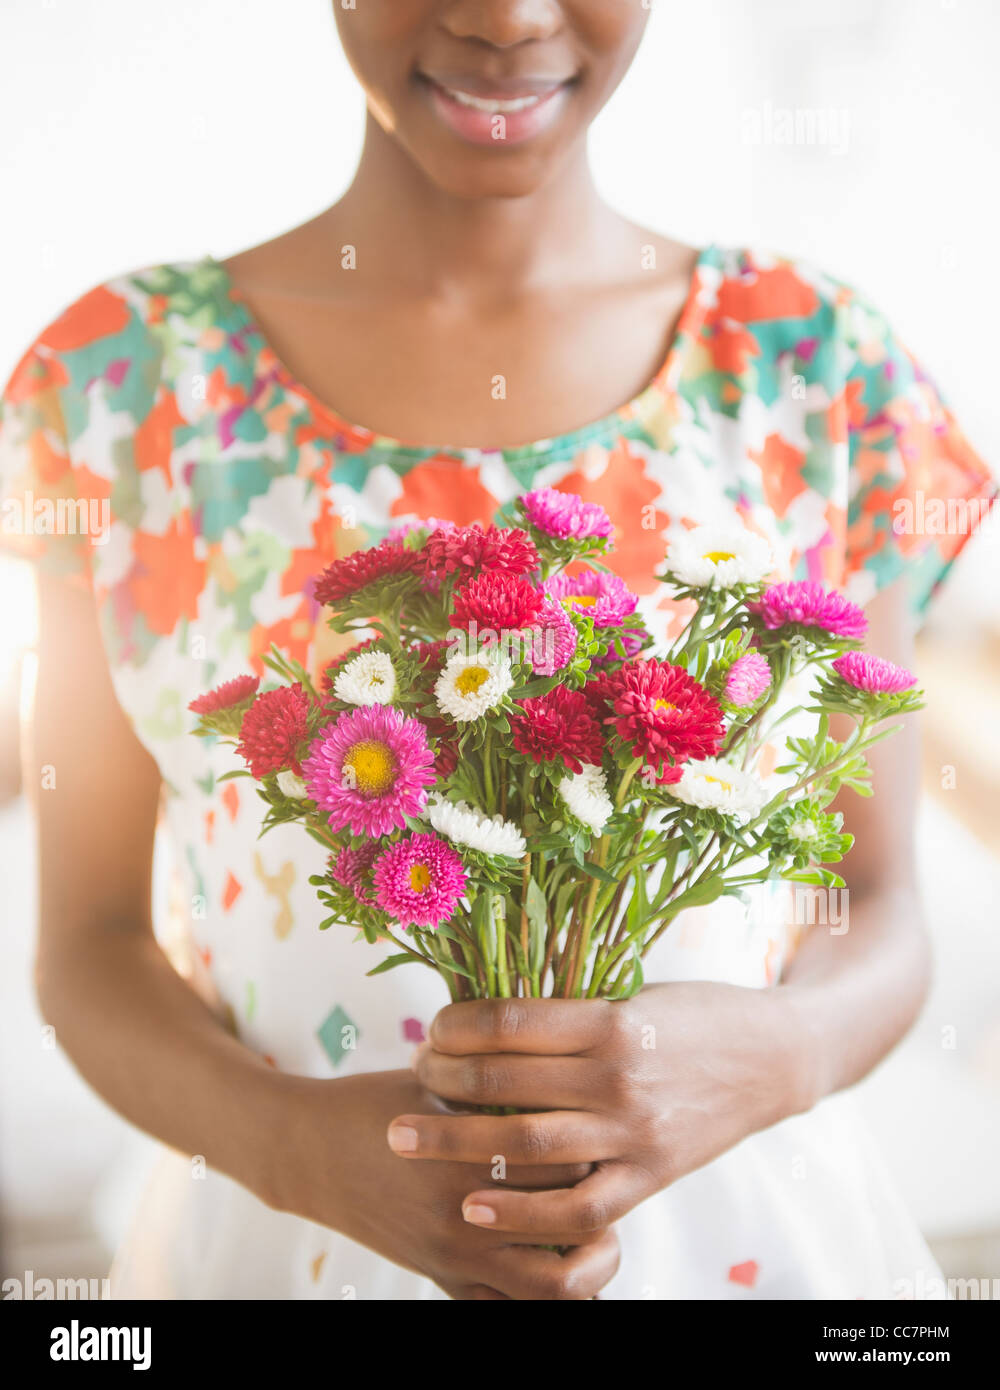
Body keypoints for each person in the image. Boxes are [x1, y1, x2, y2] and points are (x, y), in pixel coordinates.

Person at [0, 1, 993, 1300]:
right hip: (281, 1254)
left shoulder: (816, 372)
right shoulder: (119, 388)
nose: (507, 16)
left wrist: (777, 1053)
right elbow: (87, 949)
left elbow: (878, 905)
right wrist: (296, 1150)